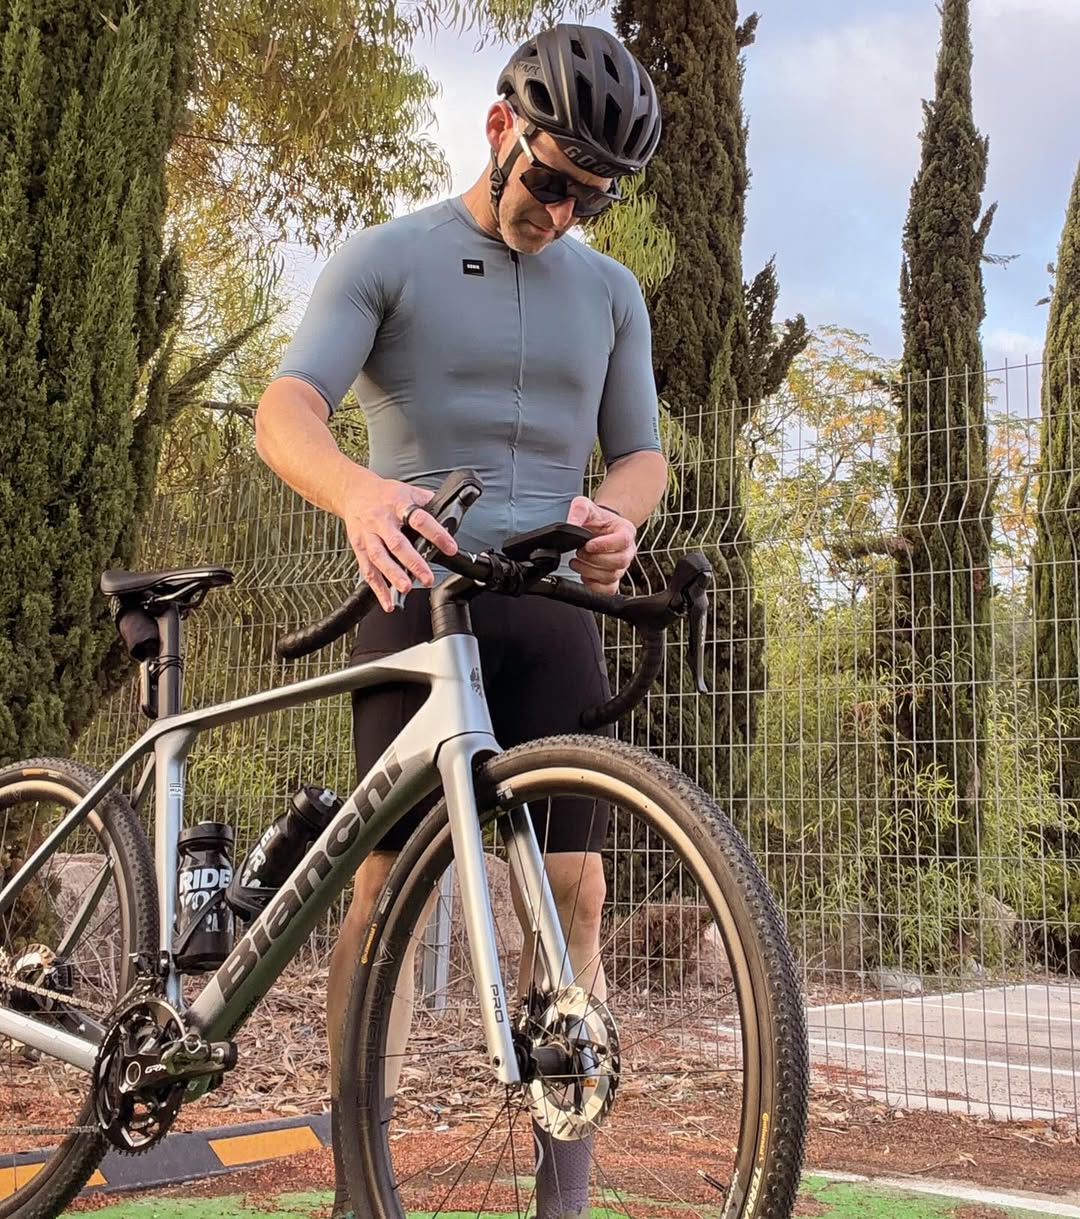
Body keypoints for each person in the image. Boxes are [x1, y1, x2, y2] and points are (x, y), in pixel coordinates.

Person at [253, 23, 666, 1219]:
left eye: (593, 198)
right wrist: (359, 493)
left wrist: (620, 516)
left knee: (575, 893)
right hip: (417, 601)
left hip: (553, 605)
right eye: (552, 182)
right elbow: (286, 409)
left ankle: (563, 1198)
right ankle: (357, 1183)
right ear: (498, 130)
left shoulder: (611, 292)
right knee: (389, 893)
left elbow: (640, 455)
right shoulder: (389, 257)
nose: (565, 214)